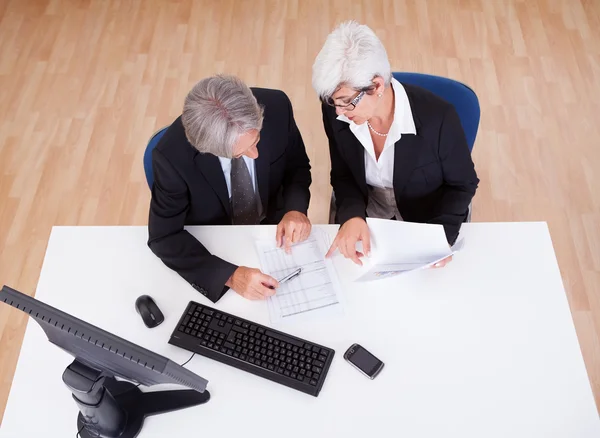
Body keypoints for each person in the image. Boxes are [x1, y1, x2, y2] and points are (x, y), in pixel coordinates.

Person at [312, 21, 479, 267]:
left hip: (425, 219)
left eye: (346, 102)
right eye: (332, 102)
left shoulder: (439, 118)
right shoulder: (337, 112)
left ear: (377, 86)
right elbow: (344, 174)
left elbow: (462, 185)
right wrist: (352, 216)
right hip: (370, 216)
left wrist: (439, 239)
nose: (339, 112)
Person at [148, 75, 312, 302]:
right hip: (215, 243)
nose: (255, 155)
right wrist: (230, 276)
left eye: (256, 141)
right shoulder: (172, 157)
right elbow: (163, 237)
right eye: (240, 153)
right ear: (208, 150)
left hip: (274, 232)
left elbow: (297, 167)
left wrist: (295, 209)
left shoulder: (277, 106)